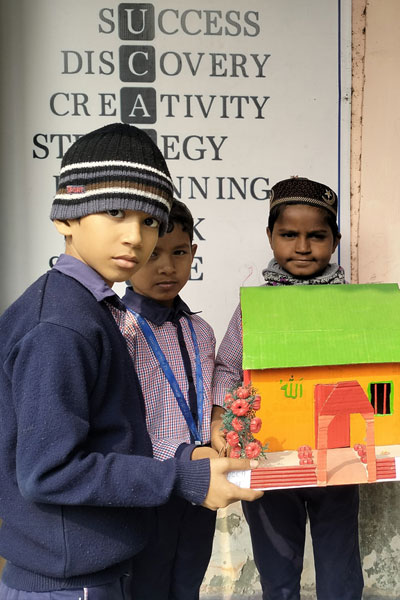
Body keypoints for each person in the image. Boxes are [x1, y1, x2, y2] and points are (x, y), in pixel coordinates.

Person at [0, 123, 263, 599]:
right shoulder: (59, 325)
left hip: (95, 564)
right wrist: (181, 474)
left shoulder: (86, 310)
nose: (135, 237)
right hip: (69, 583)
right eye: (115, 212)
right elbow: (49, 472)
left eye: (150, 221)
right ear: (64, 217)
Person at [212, 176, 364, 600]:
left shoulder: (355, 306)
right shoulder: (255, 307)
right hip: (269, 455)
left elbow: (376, 368)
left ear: (334, 241)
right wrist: (222, 419)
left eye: (316, 236)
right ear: (270, 236)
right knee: (277, 568)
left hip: (337, 457)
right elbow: (228, 366)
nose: (302, 247)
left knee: (340, 565)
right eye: (288, 235)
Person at [121, 199, 219, 600]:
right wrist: (183, 455)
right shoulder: (119, 330)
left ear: (193, 253)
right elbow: (121, 425)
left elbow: (211, 396)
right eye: (152, 255)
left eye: (178, 253)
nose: (167, 267)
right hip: (147, 488)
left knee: (188, 583)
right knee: (146, 586)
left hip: (200, 488)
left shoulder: (202, 329)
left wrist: (219, 428)